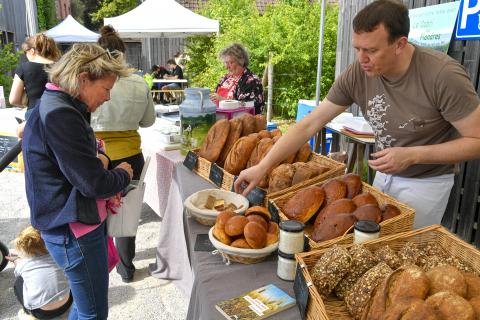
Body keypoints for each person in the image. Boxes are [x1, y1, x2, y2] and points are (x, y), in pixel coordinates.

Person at [234, 0, 480, 229]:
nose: (361, 59)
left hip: (426, 183)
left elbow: (476, 141)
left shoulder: (443, 76)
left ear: (400, 44)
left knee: (405, 252)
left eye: (371, 50)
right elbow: (310, 123)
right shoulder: (359, 71)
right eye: (357, 48)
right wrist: (264, 166)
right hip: (383, 175)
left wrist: (413, 155)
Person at [22, 43, 134, 320]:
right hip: (73, 229)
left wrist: (101, 160)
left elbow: (81, 162)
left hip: (69, 225)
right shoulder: (61, 113)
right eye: (106, 88)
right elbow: (93, 183)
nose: (108, 97)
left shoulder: (58, 104)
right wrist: (123, 174)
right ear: (84, 79)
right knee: (92, 312)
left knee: (88, 308)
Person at [91, 25, 155, 283]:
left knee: (95, 213)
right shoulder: (138, 83)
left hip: (98, 154)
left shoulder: (92, 81)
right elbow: (149, 121)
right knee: (126, 215)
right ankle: (126, 268)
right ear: (123, 53)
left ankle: (99, 268)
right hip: (130, 155)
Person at [7, 225, 72, 320]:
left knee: (19, 282)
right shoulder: (58, 255)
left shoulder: (24, 264)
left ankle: (28, 314)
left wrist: (15, 260)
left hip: (42, 313)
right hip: (67, 304)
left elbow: (19, 264)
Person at [9, 33, 61, 136]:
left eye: (25, 52)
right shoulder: (61, 67)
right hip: (59, 115)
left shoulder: (24, 68)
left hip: (35, 117)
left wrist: (26, 101)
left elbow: (13, 99)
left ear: (32, 51)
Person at [210, 43, 265, 115]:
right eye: (225, 63)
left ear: (241, 61)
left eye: (230, 63)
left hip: (241, 124)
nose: (227, 67)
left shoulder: (252, 80)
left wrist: (223, 100)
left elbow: (248, 106)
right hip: (221, 120)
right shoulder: (225, 78)